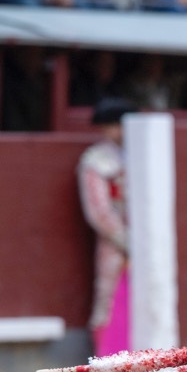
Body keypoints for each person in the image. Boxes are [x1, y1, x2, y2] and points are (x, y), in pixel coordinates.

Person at [77, 97, 136, 357]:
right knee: (109, 297)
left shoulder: (141, 155)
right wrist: (128, 242)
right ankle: (108, 365)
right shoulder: (96, 160)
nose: (117, 131)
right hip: (115, 242)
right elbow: (99, 211)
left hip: (143, 241)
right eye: (111, 125)